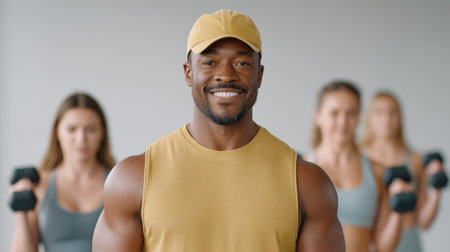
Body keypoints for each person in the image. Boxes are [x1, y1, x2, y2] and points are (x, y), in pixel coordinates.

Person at [93, 9, 345, 252]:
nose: (225, 75)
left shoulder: (307, 184)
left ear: (259, 75)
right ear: (188, 73)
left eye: (242, 63)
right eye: (210, 61)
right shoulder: (133, 180)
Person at [304, 81, 413, 252]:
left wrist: (397, 211)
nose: (343, 121)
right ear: (318, 116)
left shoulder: (378, 172)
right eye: (334, 113)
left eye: (351, 113)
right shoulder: (300, 169)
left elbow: (384, 247)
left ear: (359, 117)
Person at [9, 92, 115, 252]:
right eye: (72, 129)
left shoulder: (117, 184)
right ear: (57, 132)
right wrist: (21, 214)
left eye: (91, 129)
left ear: (102, 133)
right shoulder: (39, 185)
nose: (81, 138)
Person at [360, 91, 445, 252]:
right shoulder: (357, 159)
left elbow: (424, 221)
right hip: (370, 243)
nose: (386, 119)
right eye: (379, 112)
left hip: (408, 241)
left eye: (392, 113)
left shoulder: (414, 160)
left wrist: (436, 188)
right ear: (369, 118)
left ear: (400, 118)